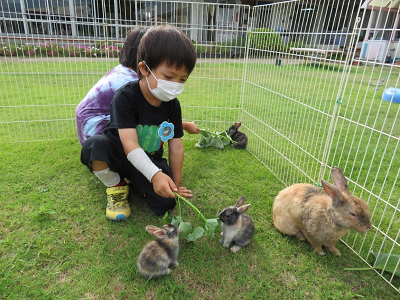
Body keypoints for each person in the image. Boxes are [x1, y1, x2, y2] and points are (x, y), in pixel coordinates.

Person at [80, 25, 198, 221]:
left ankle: (136, 182)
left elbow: (176, 147)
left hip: (149, 159)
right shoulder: (125, 97)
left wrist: (175, 185)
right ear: (144, 68)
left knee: (166, 203)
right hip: (119, 153)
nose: (175, 85)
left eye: (183, 79)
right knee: (94, 146)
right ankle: (116, 186)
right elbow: (130, 145)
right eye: (169, 77)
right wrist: (155, 175)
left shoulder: (173, 105)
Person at [75, 26, 199, 146]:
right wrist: (185, 125)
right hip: (97, 134)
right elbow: (151, 118)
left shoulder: (121, 71)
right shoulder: (131, 84)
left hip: (88, 130)